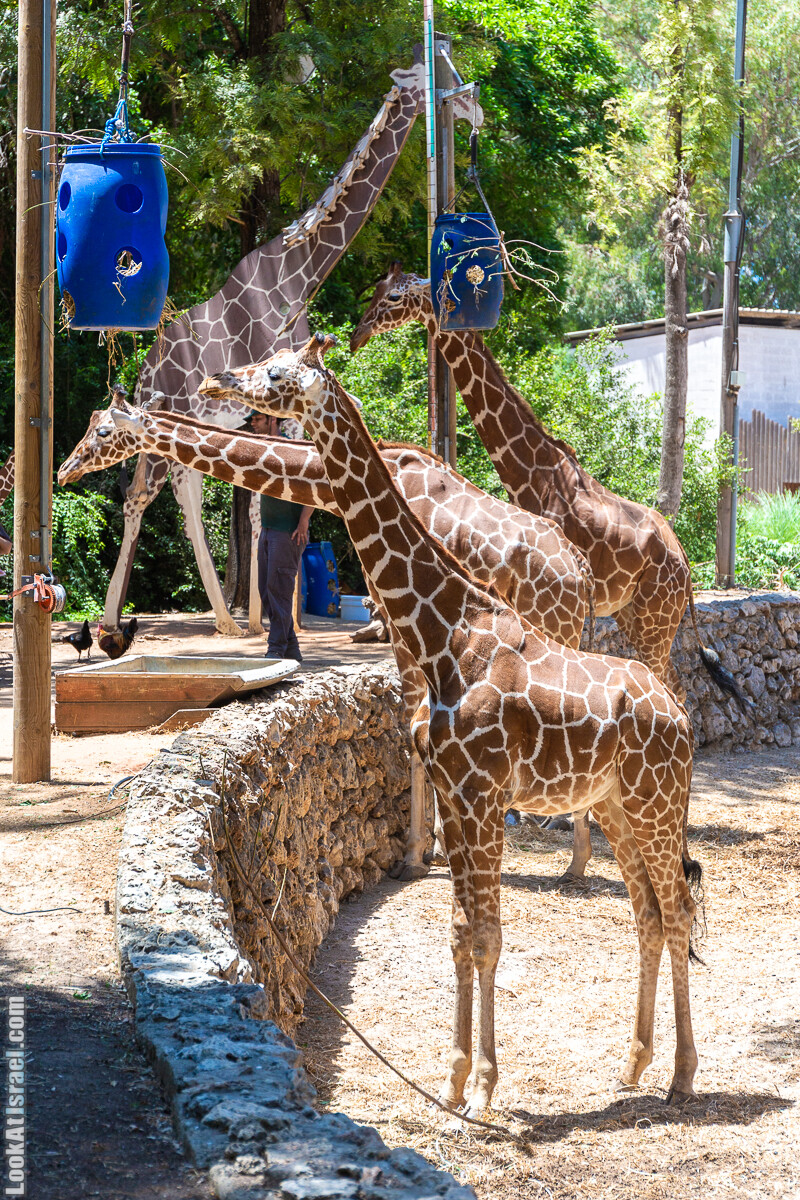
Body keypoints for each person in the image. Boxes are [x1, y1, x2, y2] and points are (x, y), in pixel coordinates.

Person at [248, 410, 313, 662]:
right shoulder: (264, 448)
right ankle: (292, 650)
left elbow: (314, 483)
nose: (252, 423)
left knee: (279, 590)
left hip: (288, 533)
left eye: (256, 419)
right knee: (266, 591)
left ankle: (275, 648)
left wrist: (304, 520)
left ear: (272, 420)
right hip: (268, 530)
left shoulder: (290, 447)